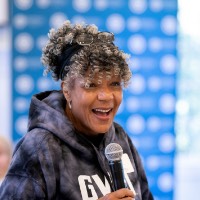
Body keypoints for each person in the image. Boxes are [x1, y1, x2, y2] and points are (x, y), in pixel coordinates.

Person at [0, 20, 154, 200]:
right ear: (67, 90)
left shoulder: (119, 138)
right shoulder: (40, 148)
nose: (106, 96)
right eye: (91, 85)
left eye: (114, 84)